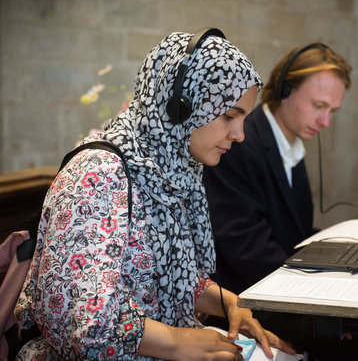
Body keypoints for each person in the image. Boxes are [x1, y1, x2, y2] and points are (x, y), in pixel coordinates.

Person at [14, 28, 296, 360]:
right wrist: (178, 342)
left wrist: (230, 303)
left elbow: (172, 282)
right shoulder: (98, 174)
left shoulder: (174, 170)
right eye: (228, 116)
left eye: (244, 118)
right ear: (179, 107)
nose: (240, 134)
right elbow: (82, 324)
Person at [205, 43, 358, 359]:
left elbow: (293, 232)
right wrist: (323, 293)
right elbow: (245, 244)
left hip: (274, 283)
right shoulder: (241, 141)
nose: (326, 121)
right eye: (319, 106)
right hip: (244, 297)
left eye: (332, 111)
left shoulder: (289, 141)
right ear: (283, 90)